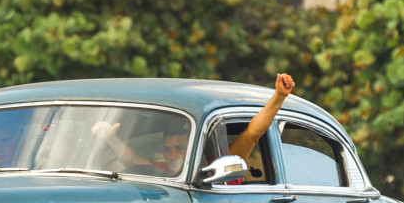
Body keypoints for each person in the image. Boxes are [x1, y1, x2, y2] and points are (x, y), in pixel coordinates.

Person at [92, 73, 296, 175]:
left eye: (179, 148)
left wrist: (278, 96)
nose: (172, 154)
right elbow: (133, 160)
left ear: (193, 147)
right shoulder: (164, 172)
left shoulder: (217, 170)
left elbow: (251, 134)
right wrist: (111, 138)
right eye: (168, 149)